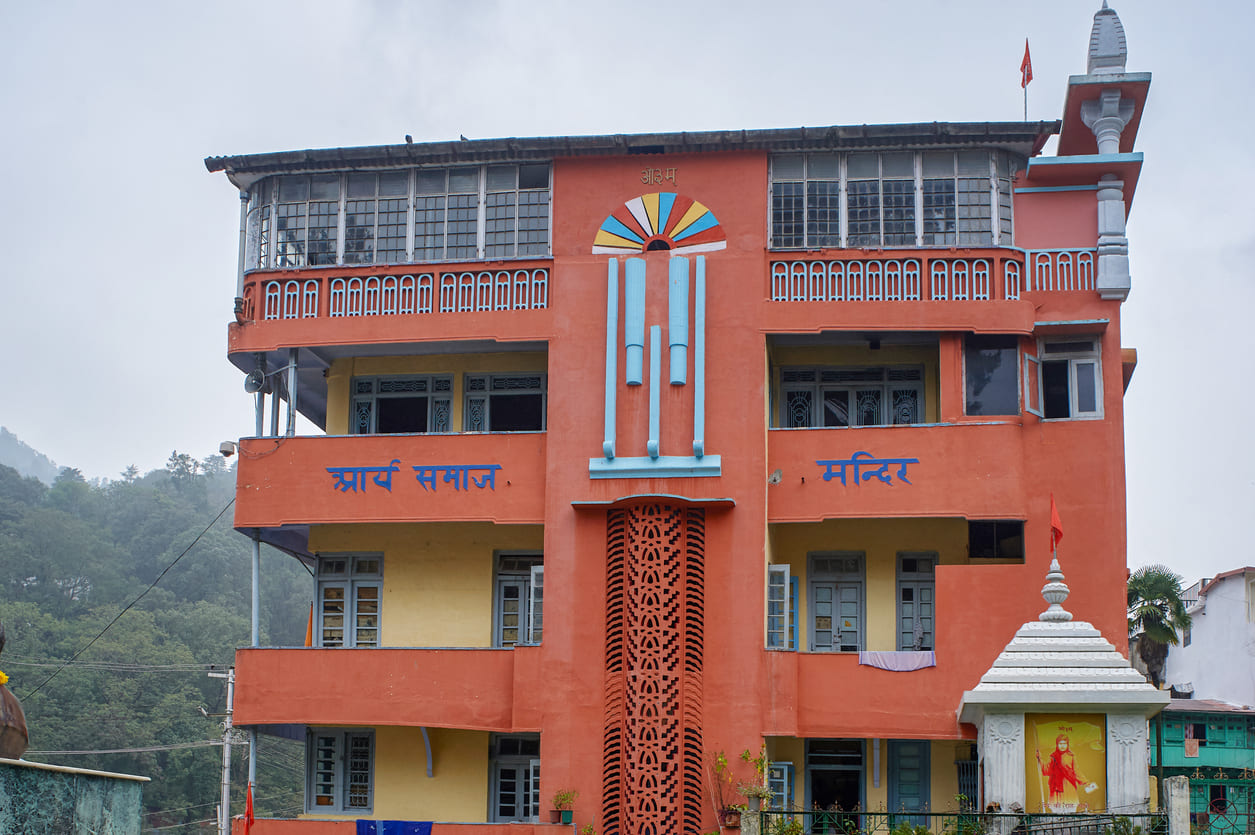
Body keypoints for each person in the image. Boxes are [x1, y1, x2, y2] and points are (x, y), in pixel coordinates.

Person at [1036, 734, 1098, 812]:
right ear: (1057, 745)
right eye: (1060, 744)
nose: (1062, 746)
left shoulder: (1071, 756)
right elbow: (1047, 770)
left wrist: (1086, 782)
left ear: (1067, 744)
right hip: (1056, 788)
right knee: (1056, 811)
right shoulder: (1053, 757)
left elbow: (1076, 771)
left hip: (1069, 786)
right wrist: (1040, 759)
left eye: (1064, 744)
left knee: (1070, 810)